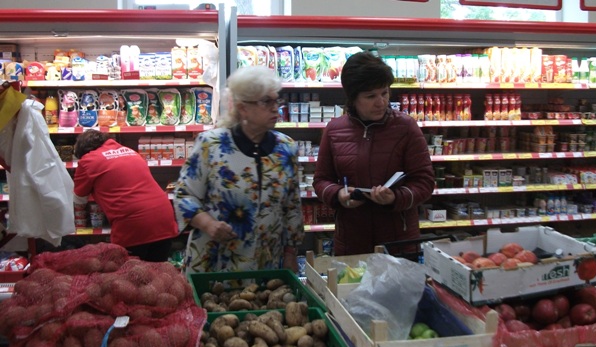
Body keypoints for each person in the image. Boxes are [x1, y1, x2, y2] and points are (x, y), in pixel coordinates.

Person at [173, 65, 304, 274]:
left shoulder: (286, 148)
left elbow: (292, 207)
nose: (275, 108)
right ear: (243, 108)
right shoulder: (211, 144)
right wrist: (208, 224)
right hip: (214, 262)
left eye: (276, 100)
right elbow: (184, 194)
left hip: (267, 263)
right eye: (266, 101)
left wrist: (290, 254)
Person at [313, 51, 435, 257]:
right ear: (353, 98)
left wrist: (395, 198)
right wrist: (338, 195)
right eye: (370, 96)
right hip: (351, 243)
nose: (381, 102)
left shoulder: (406, 127)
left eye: (384, 93)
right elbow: (321, 181)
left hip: (398, 244)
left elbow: (425, 182)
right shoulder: (334, 130)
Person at [73, 130, 178, 261]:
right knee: (158, 270)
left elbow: (79, 199)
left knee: (129, 272)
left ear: (83, 151)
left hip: (133, 224)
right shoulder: (130, 151)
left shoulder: (88, 161)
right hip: (164, 217)